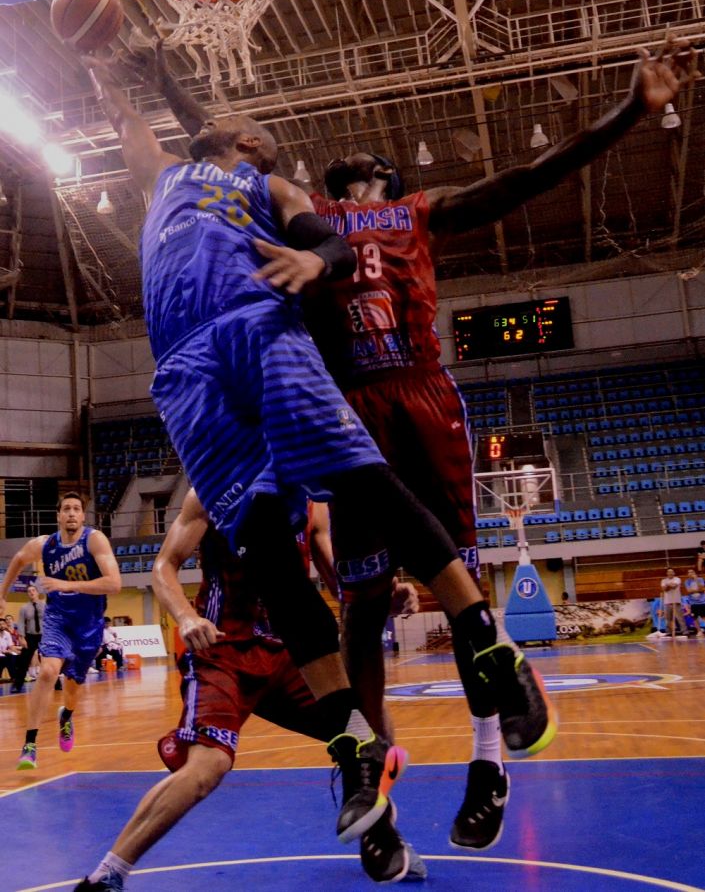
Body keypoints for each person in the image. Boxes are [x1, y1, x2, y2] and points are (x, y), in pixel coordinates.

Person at [144, 36, 695, 851]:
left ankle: (488, 762)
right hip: (343, 402)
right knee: (361, 606)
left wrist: (629, 111)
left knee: (455, 581)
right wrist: (166, 82)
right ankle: (368, 772)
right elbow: (221, 149)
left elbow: (527, 178)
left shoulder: (420, 212)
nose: (358, 160)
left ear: (391, 178)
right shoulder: (303, 209)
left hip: (418, 395)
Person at [83, 55, 555, 852]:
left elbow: (324, 242)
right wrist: (106, 70)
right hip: (185, 370)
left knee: (362, 482)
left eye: (240, 123)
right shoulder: (162, 175)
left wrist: (313, 262)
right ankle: (352, 743)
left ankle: (486, 642)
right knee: (263, 548)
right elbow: (131, 123)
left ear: (250, 144)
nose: (230, 120)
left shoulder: (269, 188)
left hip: (258, 325)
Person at [74, 489, 425, 891]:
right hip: (223, 650)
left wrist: (383, 598)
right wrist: (186, 617)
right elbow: (163, 566)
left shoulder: (312, 500)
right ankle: (107, 874)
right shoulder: (211, 489)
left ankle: (375, 829)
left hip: (288, 652)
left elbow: (340, 584)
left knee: (374, 726)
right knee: (208, 767)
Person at [0, 492, 121, 769]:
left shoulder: (94, 540)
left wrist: (69, 585)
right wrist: (2, 594)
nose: (71, 513)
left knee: (72, 687)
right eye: (66, 508)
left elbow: (114, 583)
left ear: (83, 516)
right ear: (58, 515)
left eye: (76, 509)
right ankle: (30, 744)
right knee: (47, 671)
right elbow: (18, 559)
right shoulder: (45, 545)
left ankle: (66, 716)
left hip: (89, 625)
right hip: (58, 618)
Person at [10, 582, 45, 692]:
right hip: (30, 636)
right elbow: (20, 623)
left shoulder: (45, 606)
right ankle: (17, 685)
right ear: (28, 594)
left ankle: (56, 683)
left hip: (44, 635)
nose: (31, 593)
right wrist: (22, 637)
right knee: (23, 661)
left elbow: (50, 620)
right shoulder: (24, 608)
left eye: (33, 590)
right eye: (29, 591)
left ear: (37, 592)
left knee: (48, 660)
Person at [660, 568, 688, 640]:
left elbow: (674, 586)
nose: (670, 573)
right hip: (667, 602)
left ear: (674, 573)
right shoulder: (663, 580)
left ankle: (684, 631)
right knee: (668, 618)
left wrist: (668, 585)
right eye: (669, 572)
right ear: (667, 573)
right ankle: (668, 632)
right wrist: (669, 585)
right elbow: (664, 589)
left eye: (672, 572)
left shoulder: (677, 579)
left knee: (680, 618)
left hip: (676, 601)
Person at [684, 568, 705, 636]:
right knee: (694, 617)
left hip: (702, 601)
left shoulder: (700, 579)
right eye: (689, 572)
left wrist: (696, 580)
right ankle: (699, 631)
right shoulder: (687, 581)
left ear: (695, 573)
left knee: (703, 616)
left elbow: (702, 589)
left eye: (692, 572)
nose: (690, 573)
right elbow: (689, 591)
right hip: (693, 602)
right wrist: (699, 590)